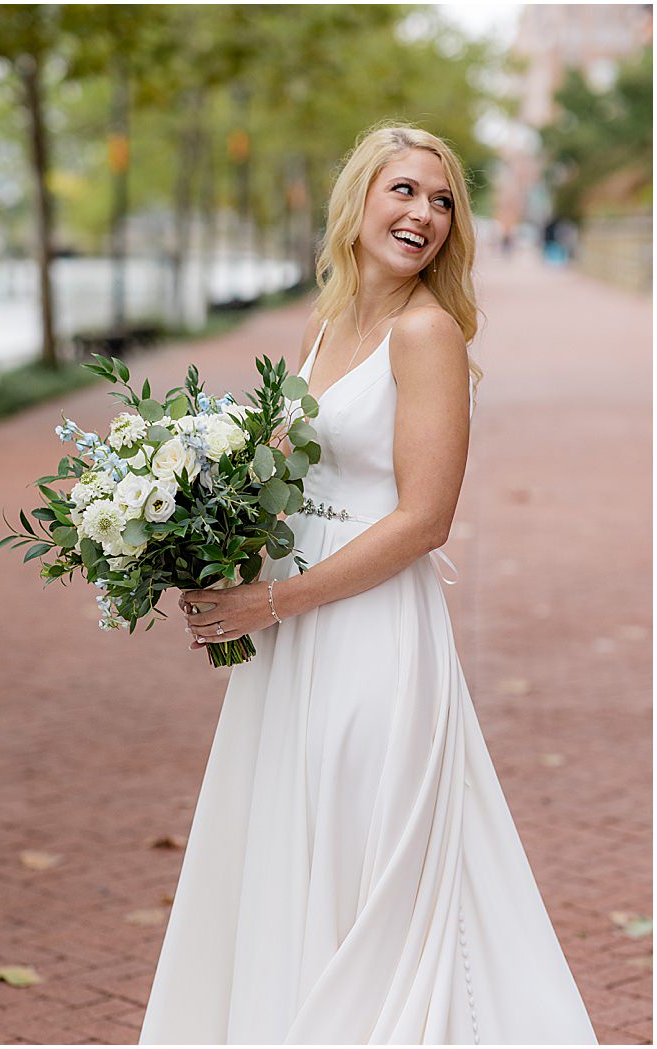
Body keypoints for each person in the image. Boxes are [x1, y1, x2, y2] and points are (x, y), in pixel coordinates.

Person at [139, 126, 595, 1044]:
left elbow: (425, 520)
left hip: (370, 632)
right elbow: (282, 480)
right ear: (358, 202)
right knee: (291, 840)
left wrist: (267, 601)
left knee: (364, 838)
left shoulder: (426, 333)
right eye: (404, 191)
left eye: (441, 201)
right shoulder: (326, 323)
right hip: (290, 634)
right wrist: (195, 543)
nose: (423, 213)